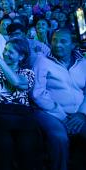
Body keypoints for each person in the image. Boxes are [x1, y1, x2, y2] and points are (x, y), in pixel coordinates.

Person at [0, 38, 41, 170]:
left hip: (20, 118)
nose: (5, 53)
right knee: (4, 145)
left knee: (27, 146)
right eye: (5, 50)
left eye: (11, 52)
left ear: (21, 57)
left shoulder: (27, 73)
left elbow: (16, 82)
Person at [32, 29, 86, 170]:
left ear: (73, 45)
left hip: (78, 113)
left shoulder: (83, 62)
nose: (57, 44)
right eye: (54, 40)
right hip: (49, 112)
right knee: (59, 137)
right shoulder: (42, 61)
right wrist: (62, 115)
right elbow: (38, 94)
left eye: (63, 41)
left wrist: (82, 113)